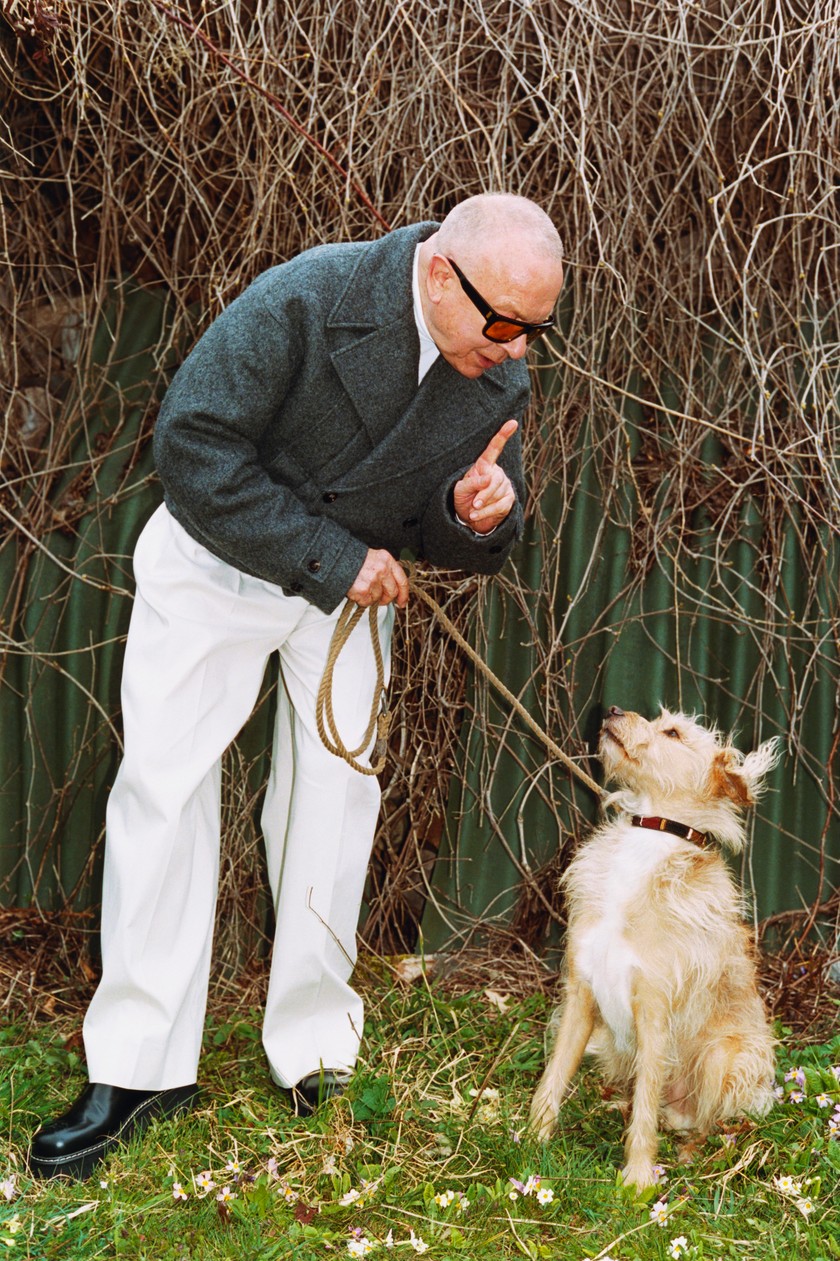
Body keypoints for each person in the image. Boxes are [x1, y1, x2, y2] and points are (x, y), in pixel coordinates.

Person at [28, 192, 565, 1179]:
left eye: (537, 329)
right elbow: (191, 447)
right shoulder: (309, 297)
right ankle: (140, 1070)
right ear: (442, 274)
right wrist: (331, 556)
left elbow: (464, 538)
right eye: (506, 323)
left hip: (347, 593)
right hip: (218, 560)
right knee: (165, 791)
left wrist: (477, 513)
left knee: (335, 798)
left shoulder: (495, 372)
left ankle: (315, 1051)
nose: (519, 350)